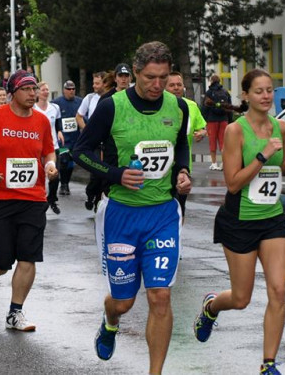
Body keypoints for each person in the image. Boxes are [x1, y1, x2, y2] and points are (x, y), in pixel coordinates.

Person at [72, 41, 192, 372]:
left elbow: (180, 143)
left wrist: (182, 171)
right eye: (151, 77)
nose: (157, 85)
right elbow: (79, 151)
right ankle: (110, 322)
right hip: (121, 214)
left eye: (164, 78)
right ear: (135, 72)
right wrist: (116, 174)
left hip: (163, 214)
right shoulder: (112, 107)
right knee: (123, 302)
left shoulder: (177, 106)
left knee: (160, 297)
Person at [193, 69, 285, 375]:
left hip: (272, 219)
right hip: (239, 220)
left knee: (279, 290)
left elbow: (280, 164)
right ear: (245, 95)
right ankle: (211, 307)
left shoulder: (280, 127)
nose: (266, 96)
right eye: (259, 91)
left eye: (270, 90)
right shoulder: (236, 131)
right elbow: (233, 183)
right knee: (241, 298)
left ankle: (268, 364)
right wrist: (261, 155)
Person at [0, 70, 58, 332]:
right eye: (27, 89)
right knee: (1, 260)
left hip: (33, 198)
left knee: (28, 257)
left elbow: (48, 150)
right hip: (0, 198)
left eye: (35, 89)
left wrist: (50, 164)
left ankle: (15, 313)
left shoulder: (40, 122)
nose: (33, 94)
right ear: (13, 91)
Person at [165, 71, 207, 214]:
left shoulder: (191, 106)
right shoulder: (159, 106)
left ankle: (176, 235)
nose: (176, 88)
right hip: (163, 167)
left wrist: (201, 133)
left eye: (179, 85)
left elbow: (201, 128)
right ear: (165, 87)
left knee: (180, 207)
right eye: (172, 85)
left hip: (183, 166)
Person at [82, 70, 117, 212]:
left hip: (108, 142)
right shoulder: (90, 98)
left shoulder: (113, 98)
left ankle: (100, 200)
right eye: (95, 83)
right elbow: (79, 116)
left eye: (98, 83)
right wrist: (88, 131)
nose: (95, 86)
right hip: (95, 141)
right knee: (96, 172)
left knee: (105, 174)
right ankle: (91, 195)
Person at [34, 81, 63, 214]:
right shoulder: (33, 108)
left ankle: (52, 199)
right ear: (38, 92)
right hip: (37, 146)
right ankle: (37, 199)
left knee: (55, 175)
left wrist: (59, 132)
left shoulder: (55, 108)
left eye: (47, 89)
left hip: (53, 146)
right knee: (38, 174)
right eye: (43, 90)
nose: (46, 92)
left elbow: (57, 124)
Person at [52, 80, 83, 196]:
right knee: (63, 160)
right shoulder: (56, 103)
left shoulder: (80, 102)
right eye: (69, 89)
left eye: (73, 89)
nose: (71, 91)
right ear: (64, 90)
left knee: (71, 162)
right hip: (63, 140)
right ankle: (63, 185)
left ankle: (66, 183)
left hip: (75, 139)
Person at [203, 74, 233, 170]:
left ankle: (214, 163)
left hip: (212, 120)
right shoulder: (225, 92)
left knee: (212, 141)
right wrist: (230, 120)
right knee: (222, 142)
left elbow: (205, 108)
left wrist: (204, 120)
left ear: (211, 81)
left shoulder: (209, 93)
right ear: (219, 81)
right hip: (223, 119)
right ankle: (224, 163)